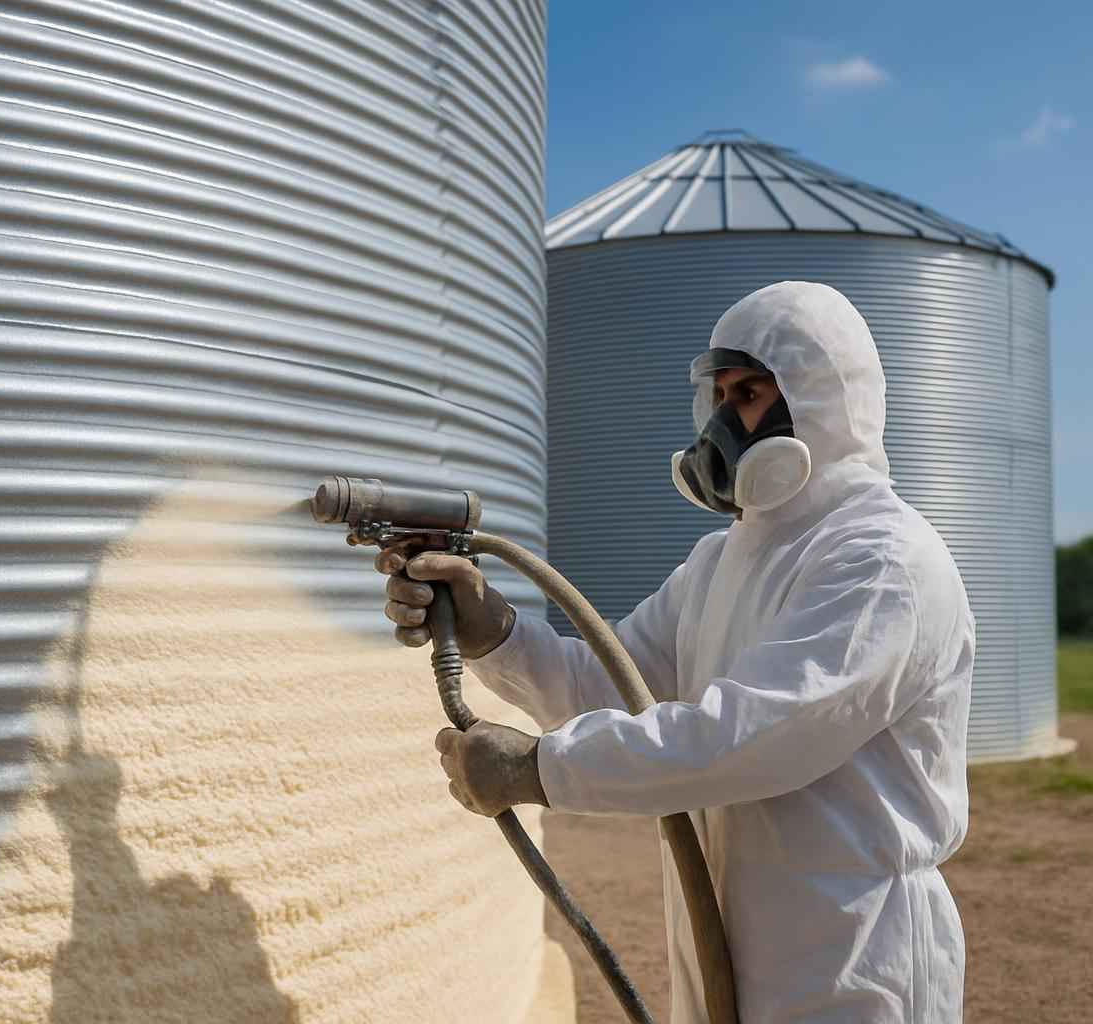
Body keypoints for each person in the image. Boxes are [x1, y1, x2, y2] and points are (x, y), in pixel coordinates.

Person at [379, 281, 974, 1023]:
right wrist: (490, 629)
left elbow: (757, 736)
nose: (725, 420)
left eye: (750, 392)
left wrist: (539, 769)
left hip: (846, 958)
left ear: (821, 399)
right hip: (725, 941)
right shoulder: (719, 562)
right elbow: (606, 683)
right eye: (720, 393)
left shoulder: (882, 559)